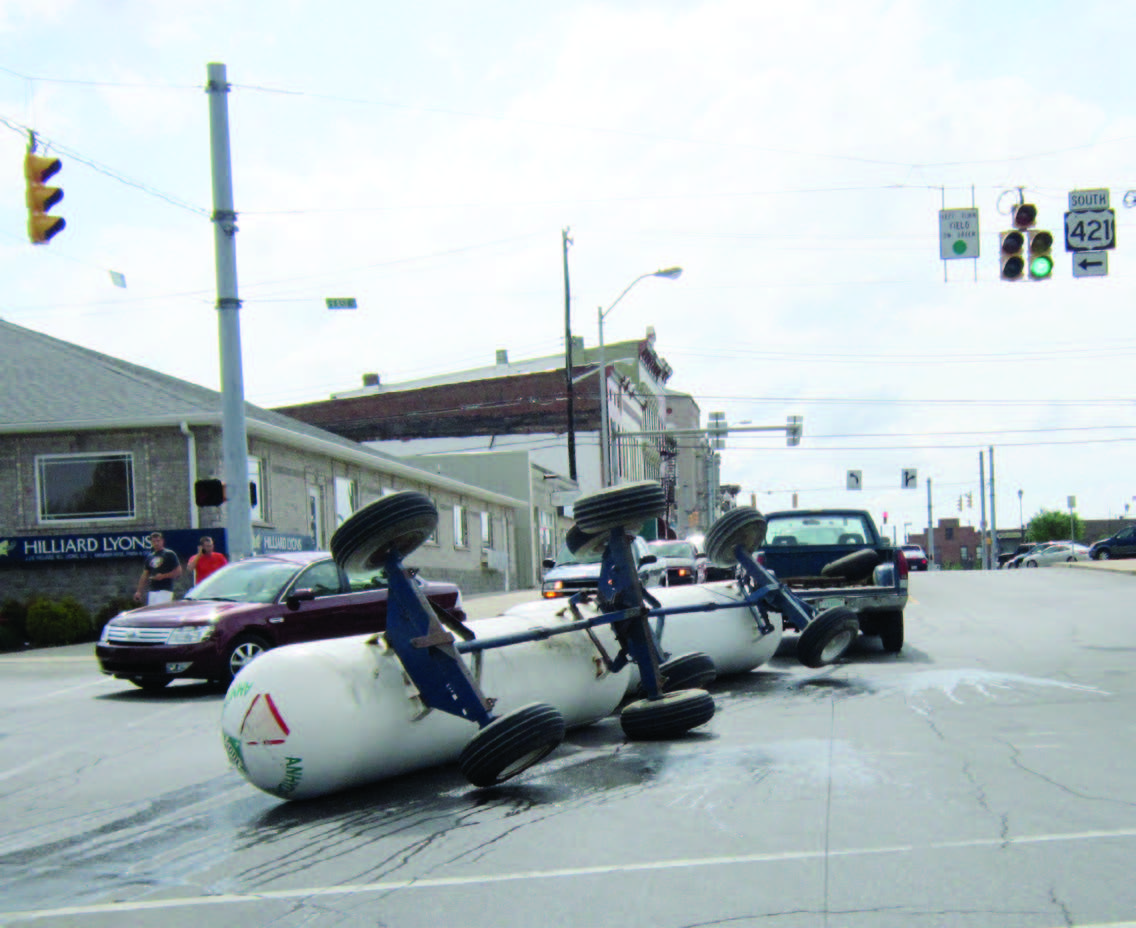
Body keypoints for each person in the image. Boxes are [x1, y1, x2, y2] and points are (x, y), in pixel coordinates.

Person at [134, 531, 182, 605]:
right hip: (152, 590)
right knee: (152, 613)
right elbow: (145, 575)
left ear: (162, 541)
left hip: (165, 590)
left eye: (158, 541)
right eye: (154, 541)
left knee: (162, 612)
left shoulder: (169, 554)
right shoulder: (150, 557)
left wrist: (163, 576)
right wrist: (139, 591)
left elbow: (178, 572)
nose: (156, 543)